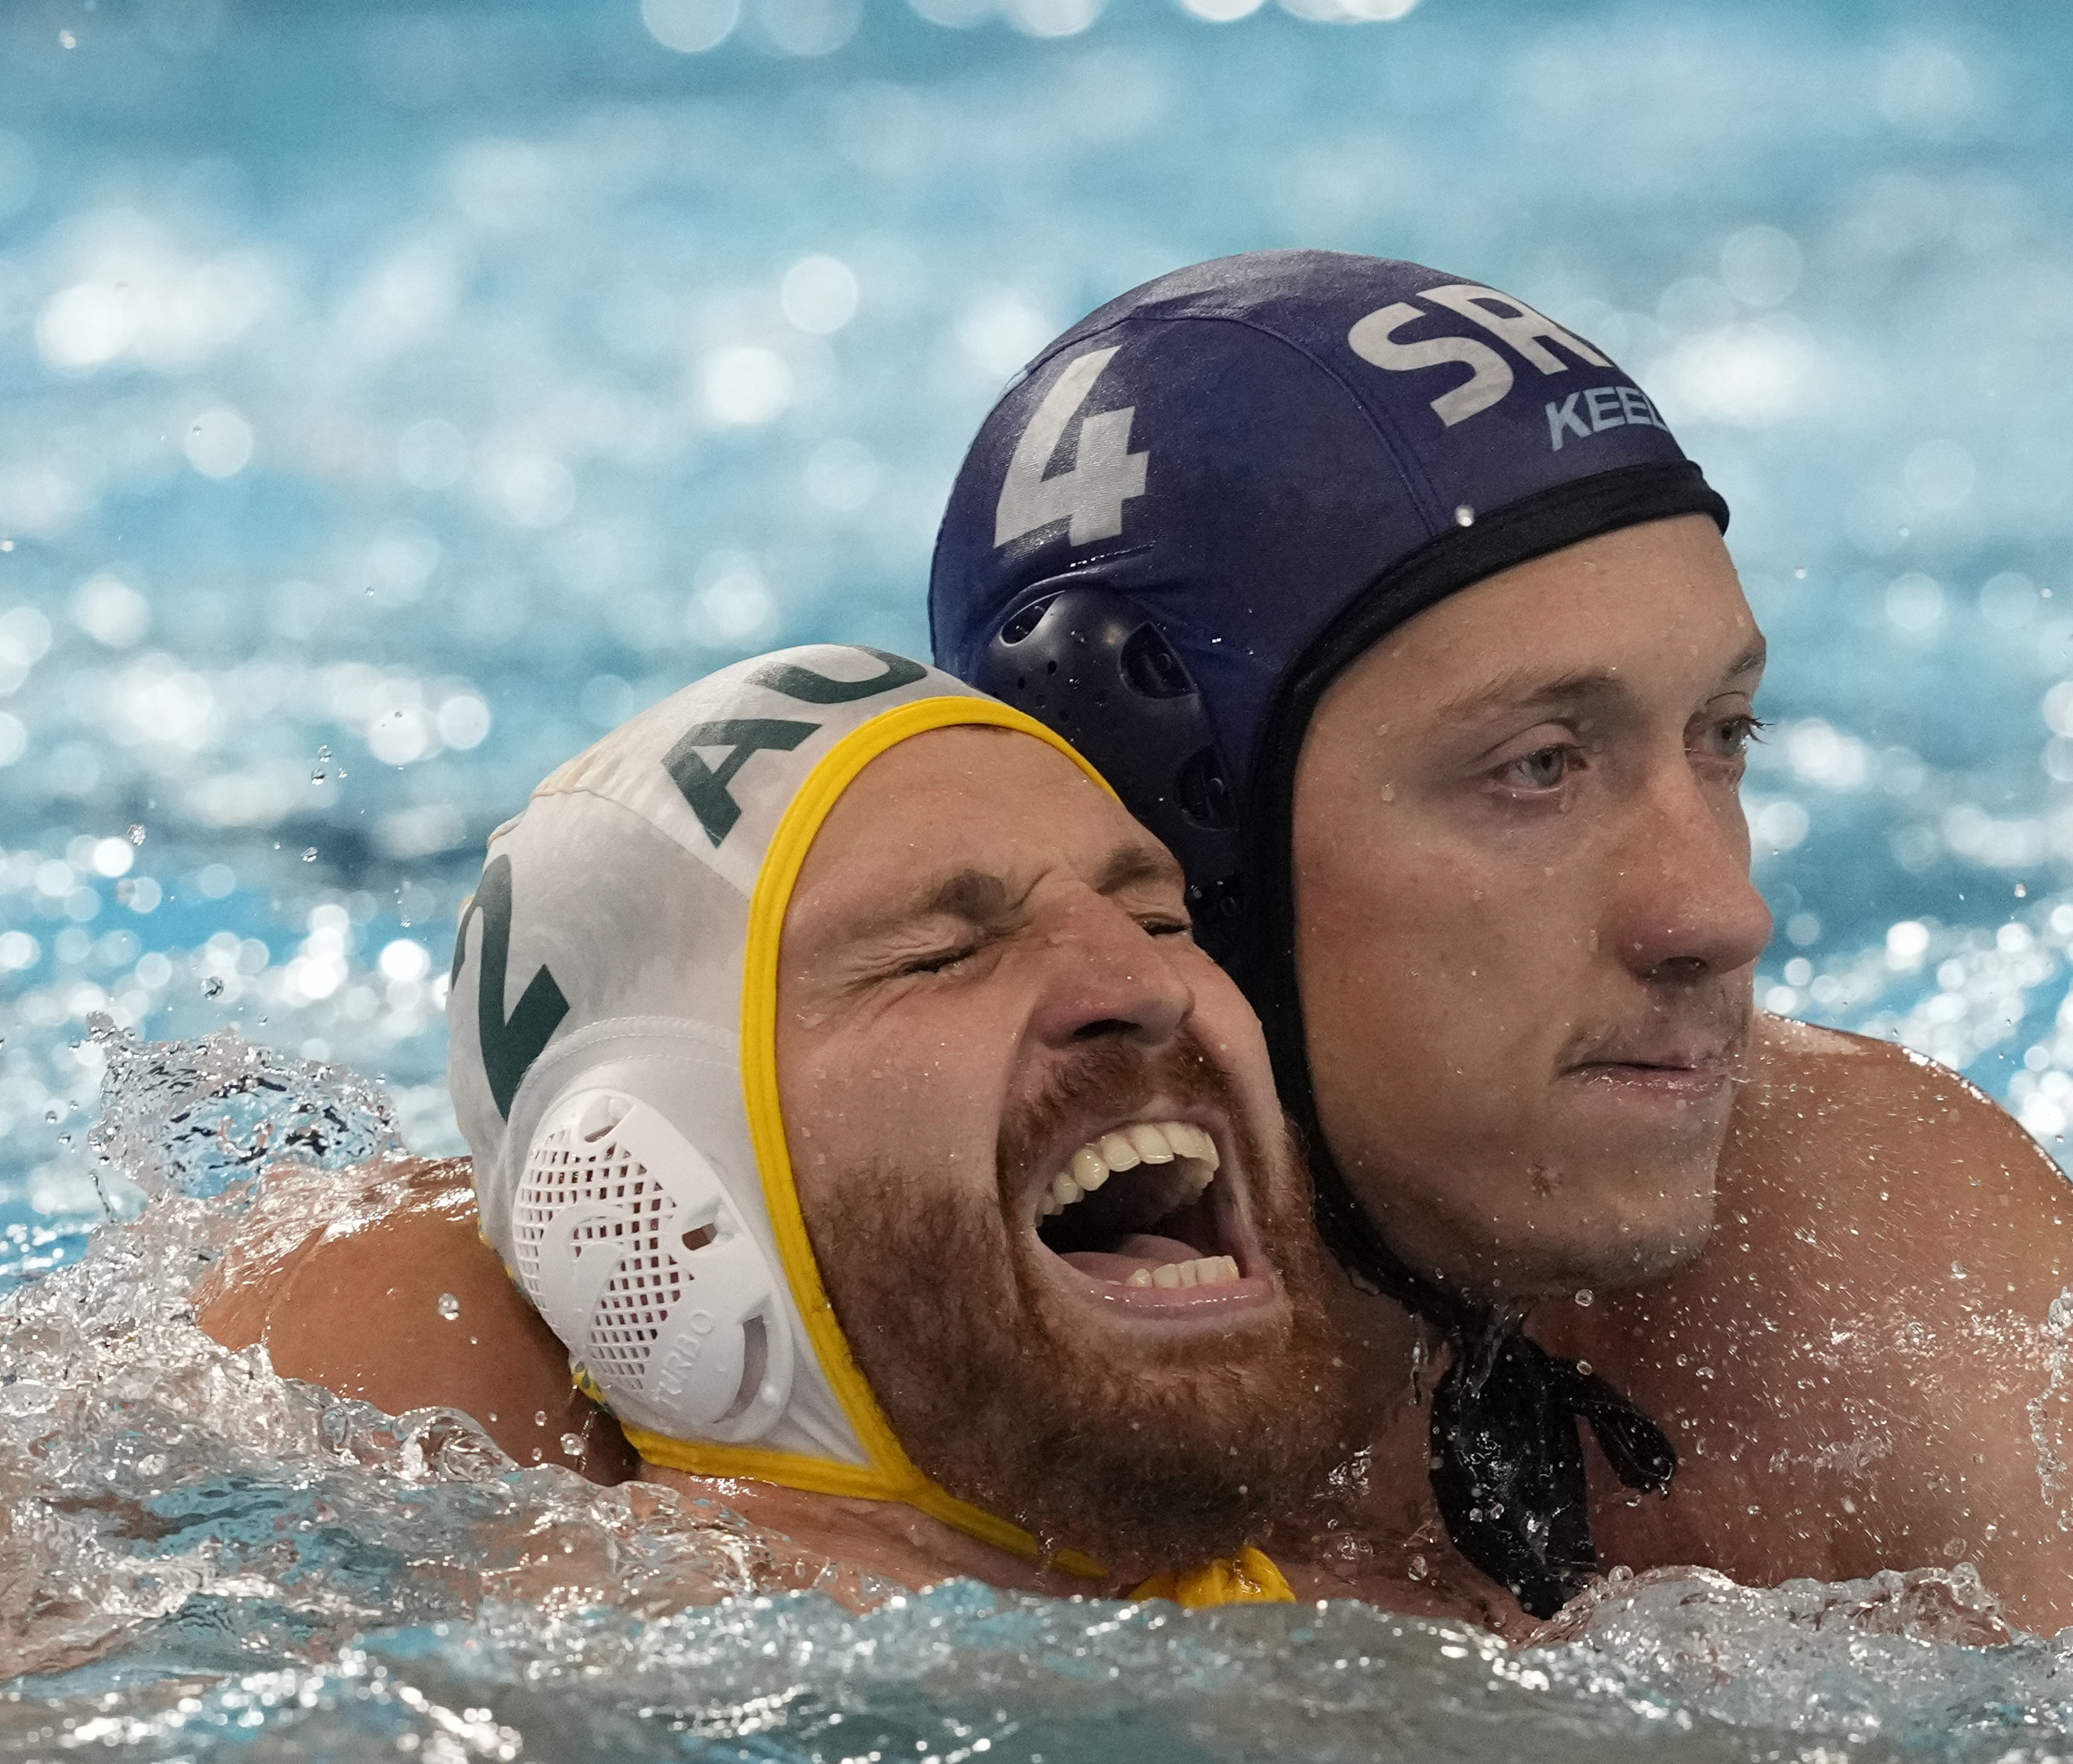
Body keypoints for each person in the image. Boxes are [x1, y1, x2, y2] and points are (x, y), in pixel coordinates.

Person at [926, 251, 2073, 1628]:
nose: (1718, 916)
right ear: (1176, 857)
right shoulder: (820, 1412)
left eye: (1725, 737)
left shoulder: (1867, 1262)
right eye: (1537, 767)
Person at [206, 646, 1524, 1624]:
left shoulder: (1423, 1600)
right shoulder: (559, 1690)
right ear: (654, 1186)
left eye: (1160, 919)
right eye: (943, 954)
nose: (1145, 985)